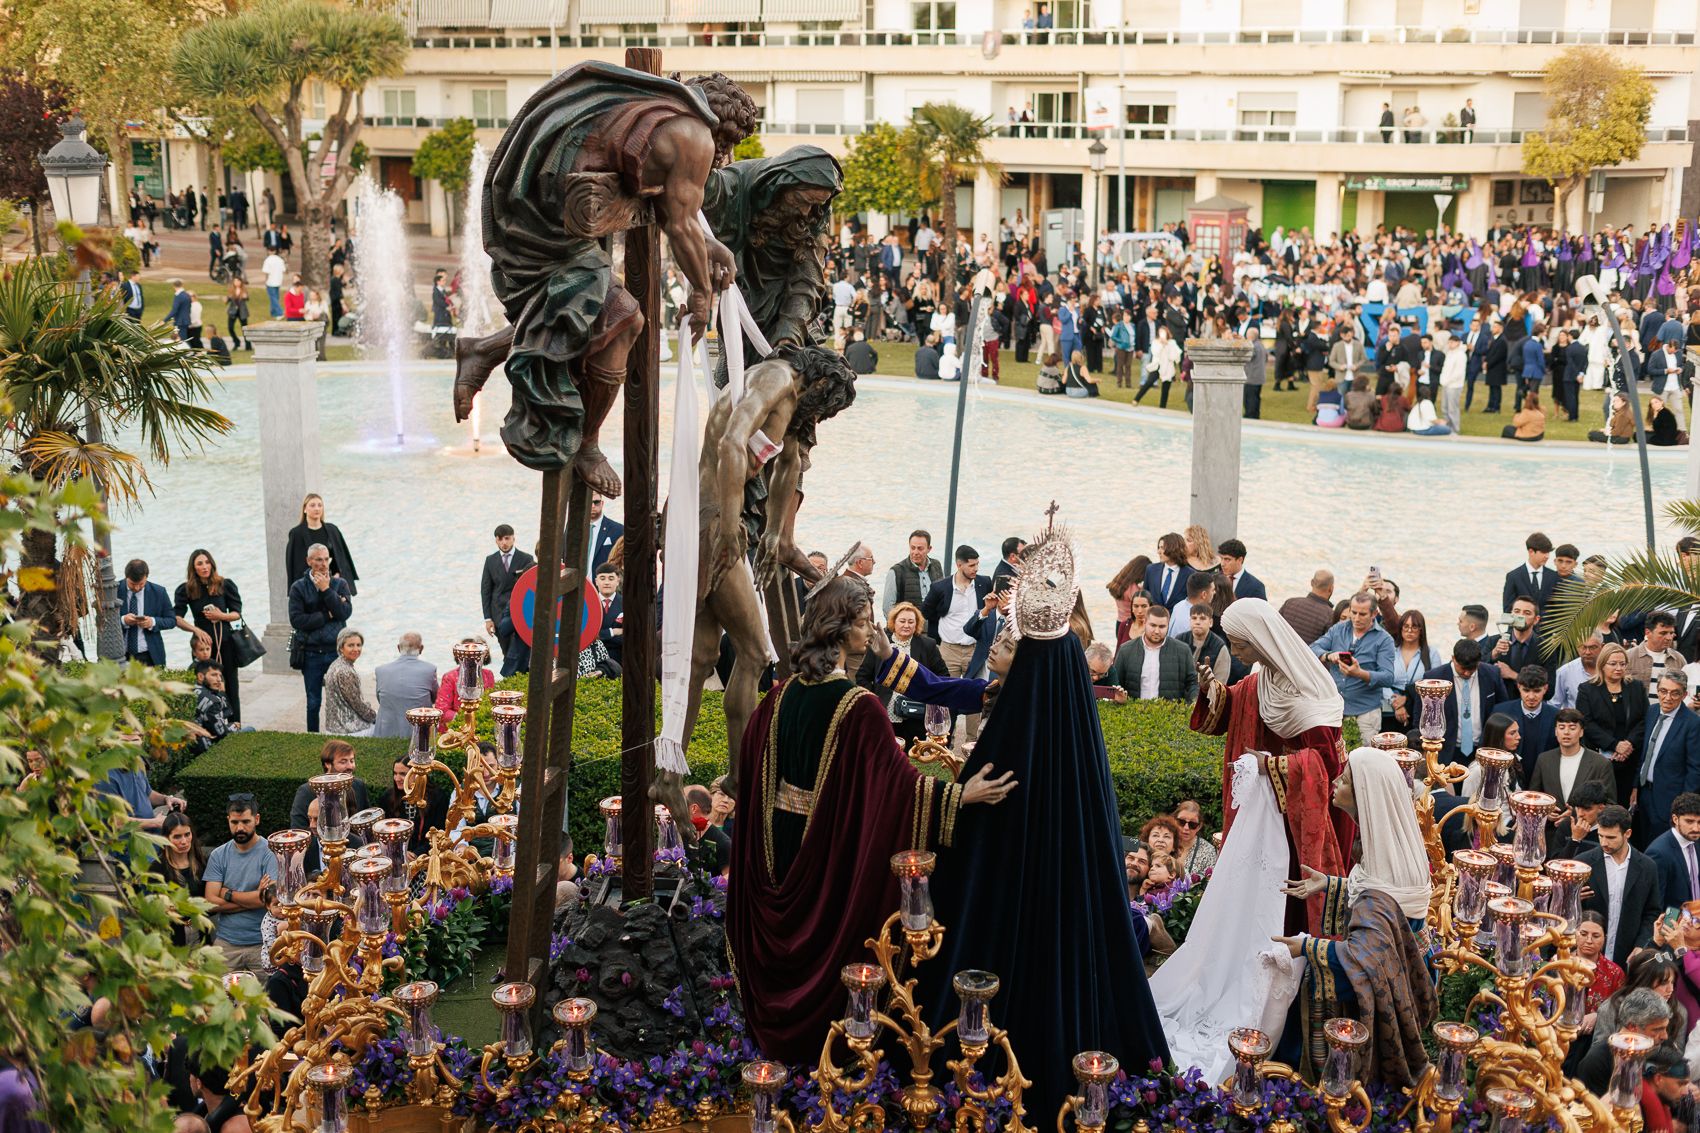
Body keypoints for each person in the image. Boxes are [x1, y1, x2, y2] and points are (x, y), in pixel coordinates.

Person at [919, 524, 1170, 1125]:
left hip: (999, 935)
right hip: (1068, 918)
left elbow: (967, 843)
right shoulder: (1079, 738)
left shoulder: (1012, 730)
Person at [726, 576, 1015, 1064]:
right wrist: (962, 795)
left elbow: (752, 769)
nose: (872, 629)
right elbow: (898, 787)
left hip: (776, 850)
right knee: (828, 938)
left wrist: (890, 656)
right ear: (840, 630)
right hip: (822, 850)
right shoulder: (858, 707)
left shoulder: (779, 696)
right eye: (863, 622)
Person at [1273, 748, 1437, 1089]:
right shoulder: (1386, 846)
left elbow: (1367, 958)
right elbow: (1385, 900)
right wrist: (1333, 885)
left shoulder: (1378, 889)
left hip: (1392, 992)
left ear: (1364, 795)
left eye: (1344, 779)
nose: (1335, 781)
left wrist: (1306, 947)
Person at [1193, 597, 1350, 933]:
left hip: (1305, 813)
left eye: (1238, 645)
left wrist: (1273, 766)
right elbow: (1238, 701)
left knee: (1291, 889)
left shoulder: (1312, 696)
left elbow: (1326, 766)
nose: (1234, 652)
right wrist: (1211, 690)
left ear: (1260, 642)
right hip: (1271, 808)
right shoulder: (1262, 677)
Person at [1578, 805, 1663, 967]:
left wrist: (1641, 945)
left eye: (1611, 838)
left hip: (1627, 958)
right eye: (1600, 836)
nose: (1604, 843)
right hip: (1587, 958)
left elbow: (1651, 912)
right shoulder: (1584, 862)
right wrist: (1572, 899)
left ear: (1627, 834)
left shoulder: (1647, 867)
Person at [202, 795, 279, 973]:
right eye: (235, 822)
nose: (240, 828)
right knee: (216, 996)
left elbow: (269, 900)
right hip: (226, 943)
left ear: (257, 819)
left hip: (262, 942)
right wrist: (253, 898)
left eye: (246, 821)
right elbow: (210, 903)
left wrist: (227, 893)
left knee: (266, 1000)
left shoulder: (270, 854)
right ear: (228, 820)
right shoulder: (218, 855)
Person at [855, 600, 945, 745]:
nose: (906, 625)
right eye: (902, 621)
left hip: (916, 714)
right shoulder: (880, 644)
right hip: (884, 713)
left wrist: (928, 695)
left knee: (913, 756)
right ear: (893, 622)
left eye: (911, 621)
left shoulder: (928, 645)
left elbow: (943, 676)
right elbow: (862, 677)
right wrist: (875, 700)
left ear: (917, 624)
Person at [1408, 639, 1508, 768]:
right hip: (1446, 751)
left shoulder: (1492, 674)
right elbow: (1420, 717)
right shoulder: (1434, 677)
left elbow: (1503, 709)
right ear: (1453, 658)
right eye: (1463, 668)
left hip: (1483, 749)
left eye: (1471, 669)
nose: (1466, 673)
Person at [1311, 591, 1397, 739]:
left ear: (1374, 614)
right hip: (1335, 709)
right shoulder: (1339, 628)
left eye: (1362, 614)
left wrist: (1360, 673)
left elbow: (1388, 677)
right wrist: (1328, 655)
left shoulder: (1384, 640)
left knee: (1362, 759)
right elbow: (1312, 648)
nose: (1356, 618)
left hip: (1365, 712)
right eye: (1354, 612)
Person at [173, 549, 246, 722]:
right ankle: (209, 723)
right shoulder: (186, 590)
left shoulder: (225, 584)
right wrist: (196, 630)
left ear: (212, 564)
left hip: (225, 642)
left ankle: (235, 724)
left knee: (229, 684)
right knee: (203, 685)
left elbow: (236, 614)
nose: (205, 566)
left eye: (207, 562)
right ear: (193, 568)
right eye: (200, 563)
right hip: (202, 645)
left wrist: (220, 616)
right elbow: (176, 618)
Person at [288, 543, 354, 733]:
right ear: (309, 561)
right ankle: (313, 736)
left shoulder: (339, 584)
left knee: (342, 698)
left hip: (336, 652)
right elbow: (297, 620)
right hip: (311, 653)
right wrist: (327, 615)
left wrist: (326, 590)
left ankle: (343, 734)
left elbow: (344, 613)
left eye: (326, 559)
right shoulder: (298, 587)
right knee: (313, 701)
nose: (323, 564)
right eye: (318, 559)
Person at [1579, 642, 1649, 805]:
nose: (1618, 668)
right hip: (1599, 758)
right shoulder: (1587, 689)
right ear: (1602, 665)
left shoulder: (1636, 687)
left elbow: (1644, 720)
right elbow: (1586, 723)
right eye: (1613, 664)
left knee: (1623, 805)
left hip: (1630, 758)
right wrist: (1614, 745)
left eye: (1622, 664)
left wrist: (1628, 744)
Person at [1637, 672, 1700, 839]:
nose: (1667, 697)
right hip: (1644, 794)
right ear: (1657, 691)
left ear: (1684, 695)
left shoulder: (1692, 723)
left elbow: (1695, 770)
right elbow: (1645, 752)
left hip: (1669, 801)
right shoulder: (1652, 711)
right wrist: (1636, 786)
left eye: (1675, 693)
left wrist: (1681, 806)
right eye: (1663, 691)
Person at [1528, 707, 1616, 808]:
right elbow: (1534, 797)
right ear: (1556, 731)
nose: (1566, 732)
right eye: (1561, 727)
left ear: (1581, 732)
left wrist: (1578, 814)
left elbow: (1610, 803)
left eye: (1572, 728)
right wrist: (1546, 811)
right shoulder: (1544, 760)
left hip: (1585, 822)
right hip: (1550, 822)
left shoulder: (1601, 763)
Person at [1107, 605, 1198, 702]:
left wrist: (1193, 703)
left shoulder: (1183, 650)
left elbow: (1192, 683)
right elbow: (1115, 683)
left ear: (1168, 625)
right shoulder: (1126, 650)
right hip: (1133, 713)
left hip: (1171, 713)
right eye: (1153, 625)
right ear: (1145, 623)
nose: (1157, 631)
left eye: (1162, 626)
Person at [481, 524, 536, 677]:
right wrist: (488, 618)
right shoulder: (490, 560)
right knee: (507, 653)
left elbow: (530, 587)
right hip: (498, 614)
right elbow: (486, 590)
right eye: (500, 539)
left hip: (520, 611)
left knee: (522, 652)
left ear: (513, 538)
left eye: (507, 538)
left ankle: (520, 680)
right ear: (496, 541)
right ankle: (512, 682)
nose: (504, 542)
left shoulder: (526, 558)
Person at [1492, 664, 1559, 780]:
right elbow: (1489, 745)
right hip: (1508, 779)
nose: (1531, 696)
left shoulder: (1556, 716)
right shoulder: (1501, 711)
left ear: (1545, 689)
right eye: (1526, 690)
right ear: (1519, 687)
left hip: (1544, 780)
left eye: (1537, 691)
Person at [288, 740, 371, 832]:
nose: (350, 766)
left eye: (352, 761)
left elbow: (365, 821)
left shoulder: (359, 785)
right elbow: (298, 829)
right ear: (327, 764)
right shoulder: (307, 791)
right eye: (343, 762)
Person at [285, 493, 359, 595]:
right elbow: (294, 566)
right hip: (310, 589)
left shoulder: (333, 530)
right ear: (305, 509)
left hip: (333, 586)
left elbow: (342, 558)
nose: (317, 508)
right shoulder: (296, 534)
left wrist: (337, 576)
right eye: (312, 505)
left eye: (320, 505)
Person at [152, 811, 208, 947]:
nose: (183, 841)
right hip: (171, 936)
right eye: (177, 836)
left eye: (187, 834)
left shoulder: (201, 863)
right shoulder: (157, 868)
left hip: (200, 932)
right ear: (166, 838)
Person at [372, 633, 439, 737]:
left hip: (385, 731)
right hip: (419, 731)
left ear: (398, 648)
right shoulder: (429, 670)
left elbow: (380, 699)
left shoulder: (381, 670)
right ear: (421, 648)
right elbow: (435, 698)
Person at [1644, 792, 1700, 909]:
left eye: (1699, 822)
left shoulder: (1696, 840)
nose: (1696, 828)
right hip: (1674, 922)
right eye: (1689, 821)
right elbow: (1655, 904)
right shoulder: (1659, 853)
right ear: (1675, 819)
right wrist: (1672, 925)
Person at [118, 559, 176, 667]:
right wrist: (123, 620)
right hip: (121, 655)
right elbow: (102, 620)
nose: (136, 588)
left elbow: (172, 620)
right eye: (132, 584)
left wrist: (152, 622)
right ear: (126, 577)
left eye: (141, 584)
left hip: (150, 655)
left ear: (146, 577)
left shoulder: (159, 592)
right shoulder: (114, 590)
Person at [321, 628, 376, 736]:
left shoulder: (336, 664)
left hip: (335, 726)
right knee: (384, 725)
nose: (356, 649)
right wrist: (375, 717)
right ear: (341, 648)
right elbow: (358, 706)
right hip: (347, 730)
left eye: (358, 645)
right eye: (351, 645)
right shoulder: (345, 672)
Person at [882, 530, 945, 618]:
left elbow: (943, 597)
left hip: (935, 627)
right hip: (910, 629)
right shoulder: (896, 571)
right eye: (912, 548)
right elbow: (887, 608)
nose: (915, 552)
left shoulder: (936, 565)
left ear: (929, 549)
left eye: (920, 548)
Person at [435, 637, 496, 728]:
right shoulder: (450, 677)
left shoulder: (488, 675)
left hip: (482, 725)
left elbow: (489, 704)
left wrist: (481, 719)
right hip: (455, 728)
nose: (472, 661)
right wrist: (464, 718)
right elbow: (441, 710)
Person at [1279, 570, 1337, 645]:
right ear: (1331, 588)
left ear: (1311, 582)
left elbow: (1274, 628)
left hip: (1280, 652)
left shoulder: (1289, 603)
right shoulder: (1330, 615)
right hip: (1306, 656)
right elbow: (1327, 646)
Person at [1144, 532, 1194, 611]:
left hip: (1177, 621)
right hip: (1154, 620)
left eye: (1162, 548)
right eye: (1158, 547)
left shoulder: (1190, 574)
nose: (1159, 551)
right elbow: (1145, 597)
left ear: (1174, 548)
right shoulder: (1151, 570)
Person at [1185, 604, 1231, 685]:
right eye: (1194, 618)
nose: (1197, 622)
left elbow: (1220, 683)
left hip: (1207, 695)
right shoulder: (1180, 640)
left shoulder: (1219, 647)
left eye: (1202, 618)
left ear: (1210, 622)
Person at [1173, 798, 1218, 875]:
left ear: (1199, 826)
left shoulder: (1208, 851)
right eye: (1181, 822)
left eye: (1192, 824)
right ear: (1174, 821)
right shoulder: (1164, 842)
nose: (1186, 828)